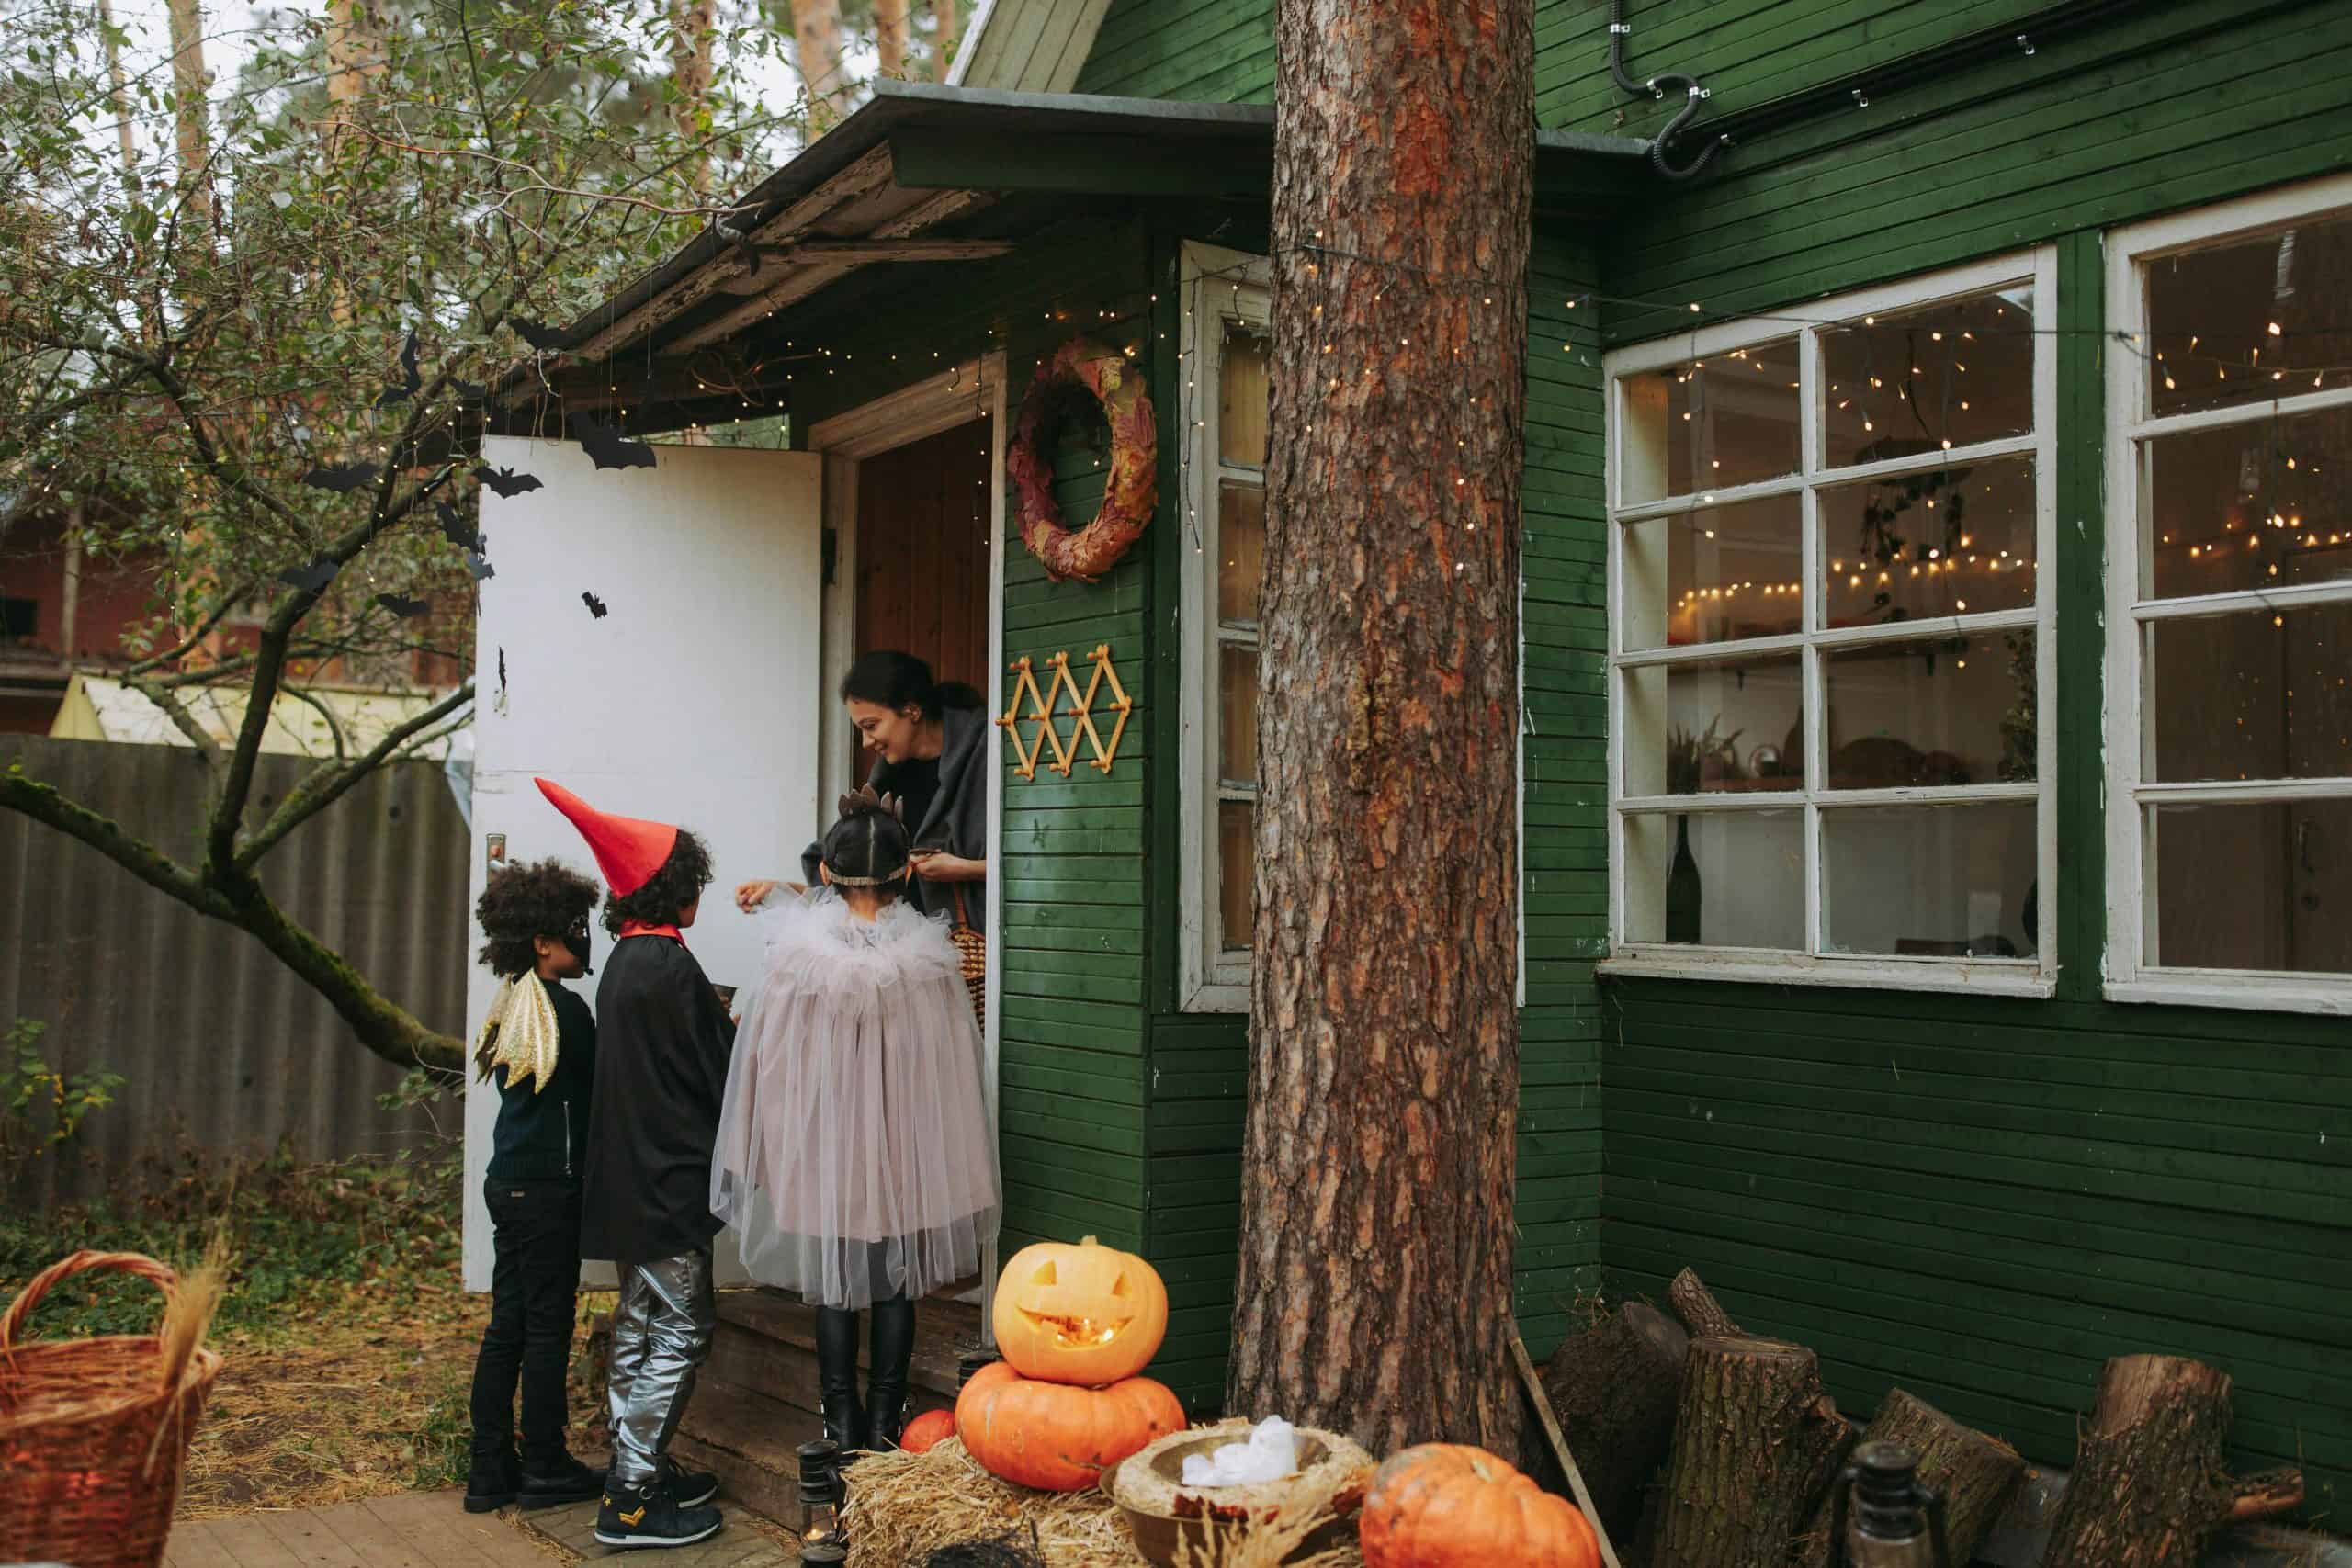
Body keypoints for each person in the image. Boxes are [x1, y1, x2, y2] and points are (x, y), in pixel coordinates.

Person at [711, 784, 1001, 1451]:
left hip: (826, 1140)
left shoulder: (794, 957)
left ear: (823, 874)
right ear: (905, 872)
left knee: (833, 1283)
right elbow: (955, 1064)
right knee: (898, 1281)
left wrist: (768, 1141)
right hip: (905, 1140)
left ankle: (837, 1420)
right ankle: (884, 1423)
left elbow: (766, 1057)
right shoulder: (930, 960)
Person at [537, 778, 731, 1551]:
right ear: (673, 887)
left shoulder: (624, 961)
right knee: (684, 1329)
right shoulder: (673, 969)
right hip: (669, 1183)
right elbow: (712, 1072)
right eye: (694, 885)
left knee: (641, 1323)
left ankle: (636, 1463)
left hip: (625, 1182)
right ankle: (628, 1498)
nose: (699, 898)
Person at [463, 858, 605, 1516]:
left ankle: (490, 1469)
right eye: (571, 929)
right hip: (549, 1188)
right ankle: (545, 1464)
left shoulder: (513, 1001)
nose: (584, 938)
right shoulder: (565, 1011)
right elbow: (606, 1082)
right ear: (542, 942)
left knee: (509, 1324)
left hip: (508, 1182)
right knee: (548, 1326)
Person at [735, 651, 989, 971]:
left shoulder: (989, 760)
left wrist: (964, 869)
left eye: (871, 726)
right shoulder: (890, 779)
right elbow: (861, 874)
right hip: (908, 963)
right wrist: (787, 891)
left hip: (974, 960)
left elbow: (1041, 866)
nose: (867, 742)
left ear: (911, 710)